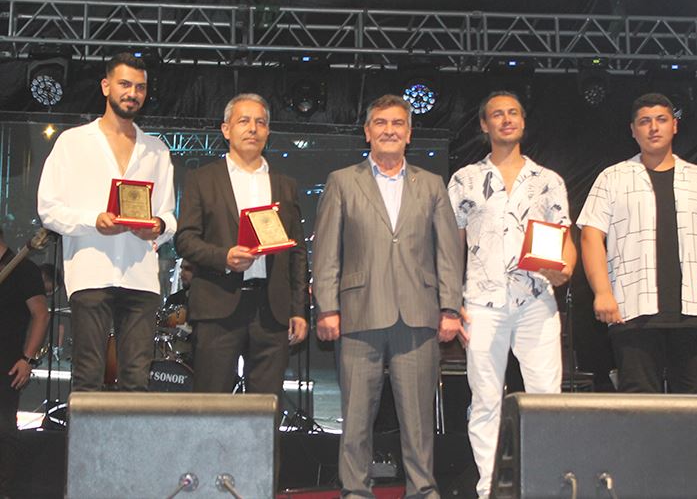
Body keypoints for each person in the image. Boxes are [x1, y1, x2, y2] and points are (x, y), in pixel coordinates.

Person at [313, 94, 463, 498]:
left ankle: (423, 490)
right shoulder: (342, 181)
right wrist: (327, 307)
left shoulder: (431, 184)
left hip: (418, 316)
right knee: (356, 418)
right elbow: (326, 252)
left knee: (418, 420)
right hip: (358, 314)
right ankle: (354, 491)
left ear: (409, 133)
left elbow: (448, 253)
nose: (389, 130)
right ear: (367, 132)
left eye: (398, 123)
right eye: (380, 123)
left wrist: (450, 307)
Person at [447, 91, 577, 498]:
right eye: (497, 114)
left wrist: (565, 270)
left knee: (546, 398)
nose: (506, 119)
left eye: (513, 113)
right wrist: (451, 303)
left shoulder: (548, 180)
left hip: (535, 301)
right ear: (484, 125)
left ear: (523, 121)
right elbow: (451, 247)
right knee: (486, 400)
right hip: (481, 303)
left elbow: (565, 241)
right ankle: (489, 489)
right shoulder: (464, 179)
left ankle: (544, 487)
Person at [577, 92, 697, 394]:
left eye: (661, 120)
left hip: (695, 308)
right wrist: (602, 292)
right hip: (632, 309)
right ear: (633, 130)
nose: (653, 127)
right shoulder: (612, 178)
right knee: (639, 401)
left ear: (674, 126)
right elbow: (591, 236)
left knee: (696, 399)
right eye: (645, 121)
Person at [37, 52, 176, 392]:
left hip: (140, 276)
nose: (133, 93)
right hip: (91, 272)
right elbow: (48, 209)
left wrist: (157, 227)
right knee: (87, 377)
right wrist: (92, 222)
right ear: (105, 86)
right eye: (125, 84)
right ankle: (85, 432)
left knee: (136, 382)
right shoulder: (72, 143)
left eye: (140, 87)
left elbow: (168, 216)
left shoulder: (157, 150)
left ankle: (130, 433)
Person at [174, 93, 308, 396]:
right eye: (244, 121)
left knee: (265, 407)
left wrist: (298, 310)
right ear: (226, 129)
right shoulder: (202, 179)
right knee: (211, 404)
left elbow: (297, 253)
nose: (253, 128)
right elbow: (185, 240)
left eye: (260, 122)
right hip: (217, 307)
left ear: (268, 131)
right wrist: (223, 257)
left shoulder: (285, 185)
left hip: (272, 310)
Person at [0, 227, 49, 496]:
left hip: (7, 361)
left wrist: (27, 359)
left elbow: (41, 314)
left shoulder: (23, 268)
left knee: (4, 428)